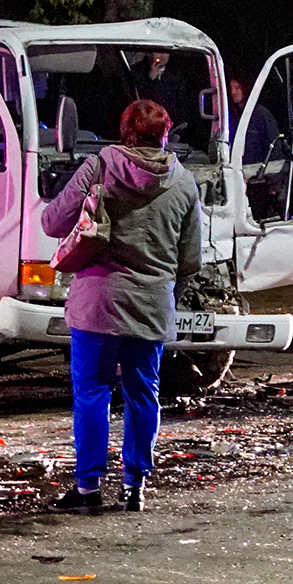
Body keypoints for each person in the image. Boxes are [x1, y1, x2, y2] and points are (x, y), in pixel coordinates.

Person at [41, 100, 203, 514]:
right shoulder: (184, 184)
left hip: (96, 300)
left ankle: (89, 488)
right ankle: (135, 488)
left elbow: (52, 223)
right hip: (150, 307)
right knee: (143, 395)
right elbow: (190, 262)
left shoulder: (99, 168)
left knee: (92, 393)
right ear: (164, 135)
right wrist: (164, 293)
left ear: (126, 131)